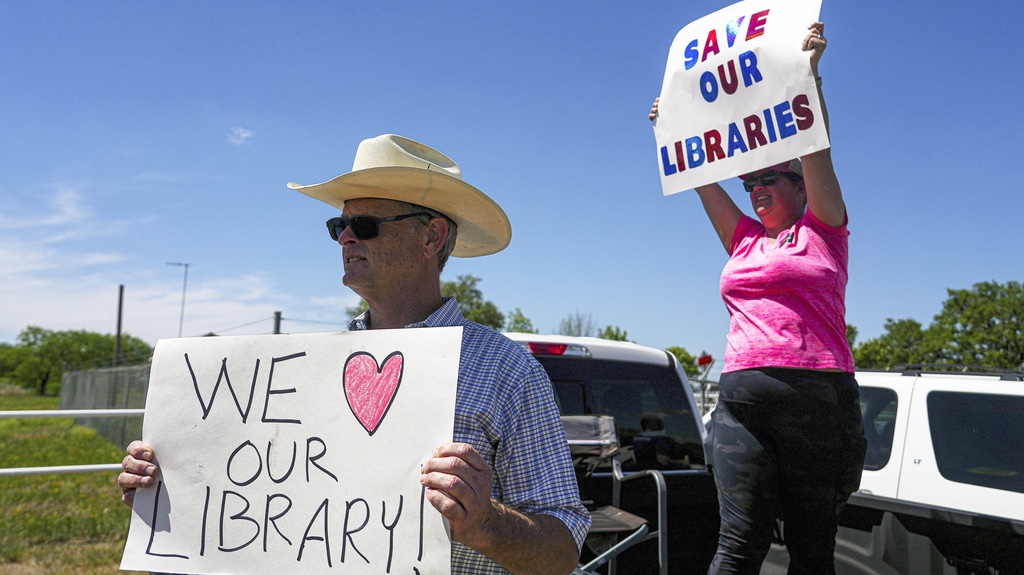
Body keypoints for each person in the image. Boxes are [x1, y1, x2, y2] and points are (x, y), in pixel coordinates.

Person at [119, 133, 591, 575]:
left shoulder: (505, 370)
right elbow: (272, 499)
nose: (346, 238)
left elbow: (563, 549)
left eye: (365, 225)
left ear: (431, 237)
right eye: (338, 226)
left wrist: (484, 521)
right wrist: (172, 487)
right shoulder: (307, 370)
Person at [650, 23, 866, 574]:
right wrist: (672, 127)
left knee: (812, 549)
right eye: (750, 183)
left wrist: (808, 78)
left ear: (800, 186)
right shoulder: (743, 238)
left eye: (772, 177)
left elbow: (816, 146)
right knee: (736, 545)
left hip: (818, 402)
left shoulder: (824, 230)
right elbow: (699, 176)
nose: (758, 187)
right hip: (742, 405)